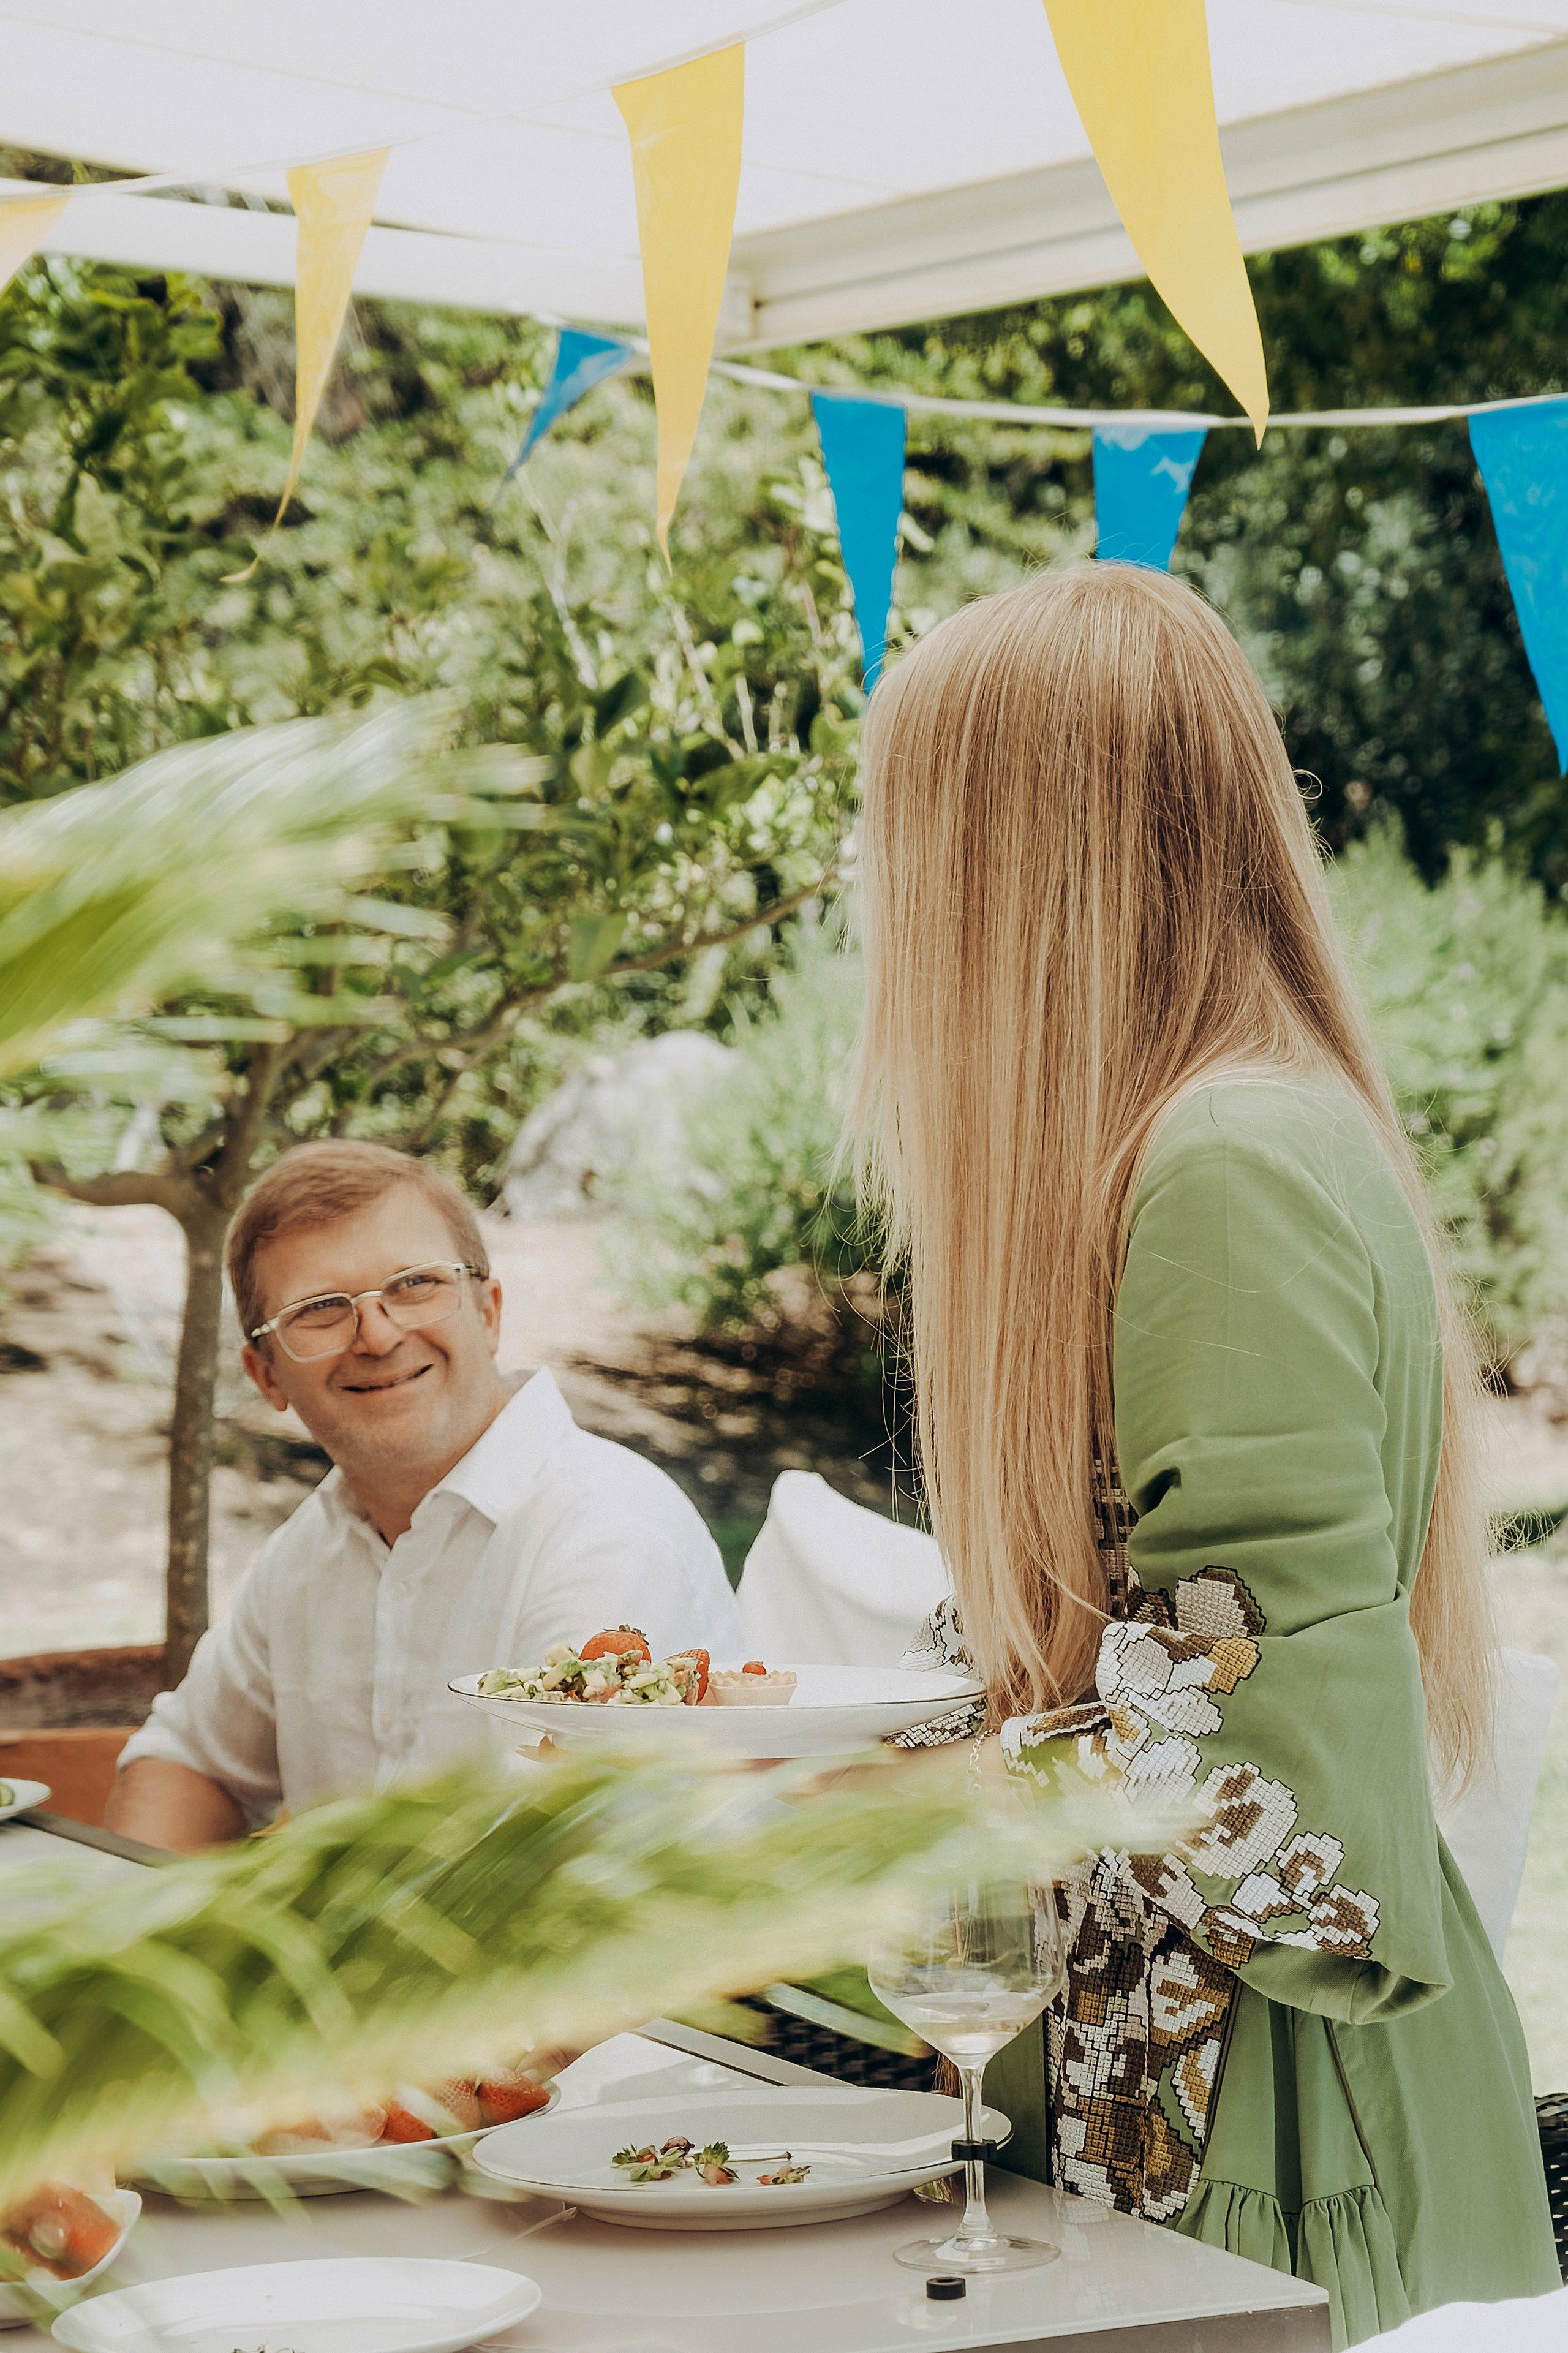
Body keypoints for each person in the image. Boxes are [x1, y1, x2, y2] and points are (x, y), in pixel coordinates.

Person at [853, 565, 1559, 2346]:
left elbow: (1244, 1730)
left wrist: (857, 1805)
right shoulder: (1226, 1126)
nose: (890, 898)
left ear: (1028, 855)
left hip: (1253, 2100)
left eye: (914, 836)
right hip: (1152, 2054)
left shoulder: (1221, 1157)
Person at [110, 1141, 744, 1852]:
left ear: (489, 1313)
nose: (377, 1334)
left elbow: (552, 1865)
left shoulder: (606, 1534)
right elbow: (191, 1764)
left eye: (414, 1284)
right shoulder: (307, 1554)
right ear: (267, 1377)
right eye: (321, 1308)